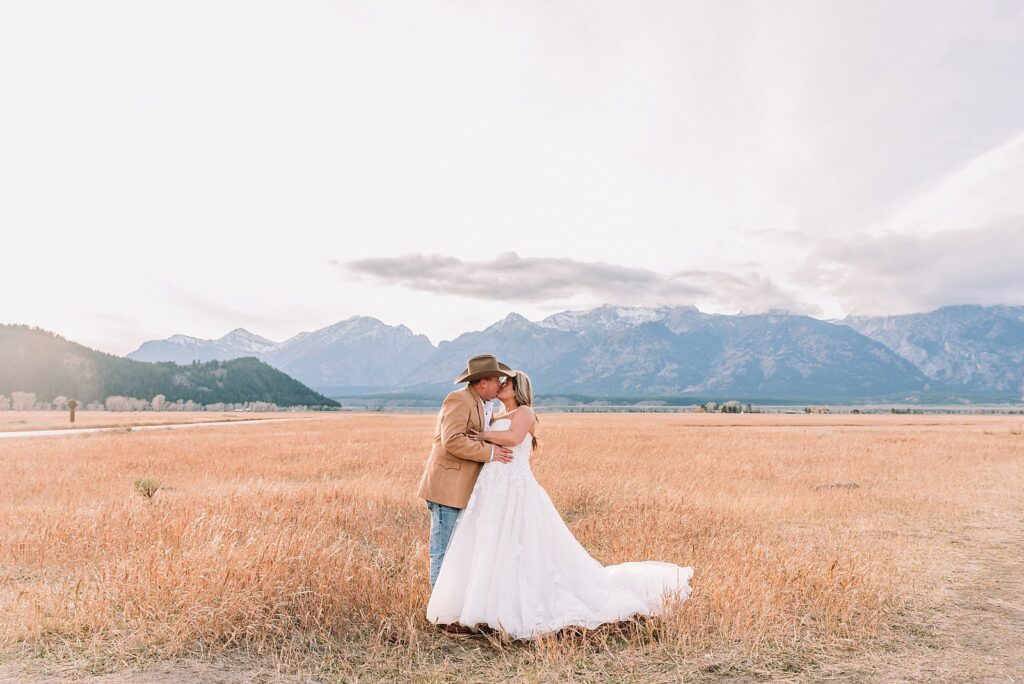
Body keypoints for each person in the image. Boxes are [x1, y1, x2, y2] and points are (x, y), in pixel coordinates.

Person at [426, 370, 693, 639]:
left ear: (518, 388)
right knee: (492, 545)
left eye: (507, 383)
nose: (501, 385)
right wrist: (484, 434)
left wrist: (482, 435)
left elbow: (514, 439)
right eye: (500, 381)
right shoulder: (495, 414)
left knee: (521, 545)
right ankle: (482, 605)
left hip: (516, 489)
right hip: (493, 489)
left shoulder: (525, 412)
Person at [417, 354, 516, 587]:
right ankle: (441, 617)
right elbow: (452, 440)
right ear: (483, 382)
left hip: (466, 491)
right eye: (496, 380)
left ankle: (452, 607)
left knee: (459, 553)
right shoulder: (458, 399)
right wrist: (491, 453)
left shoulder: (485, 405)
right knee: (443, 552)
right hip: (447, 489)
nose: (500, 384)